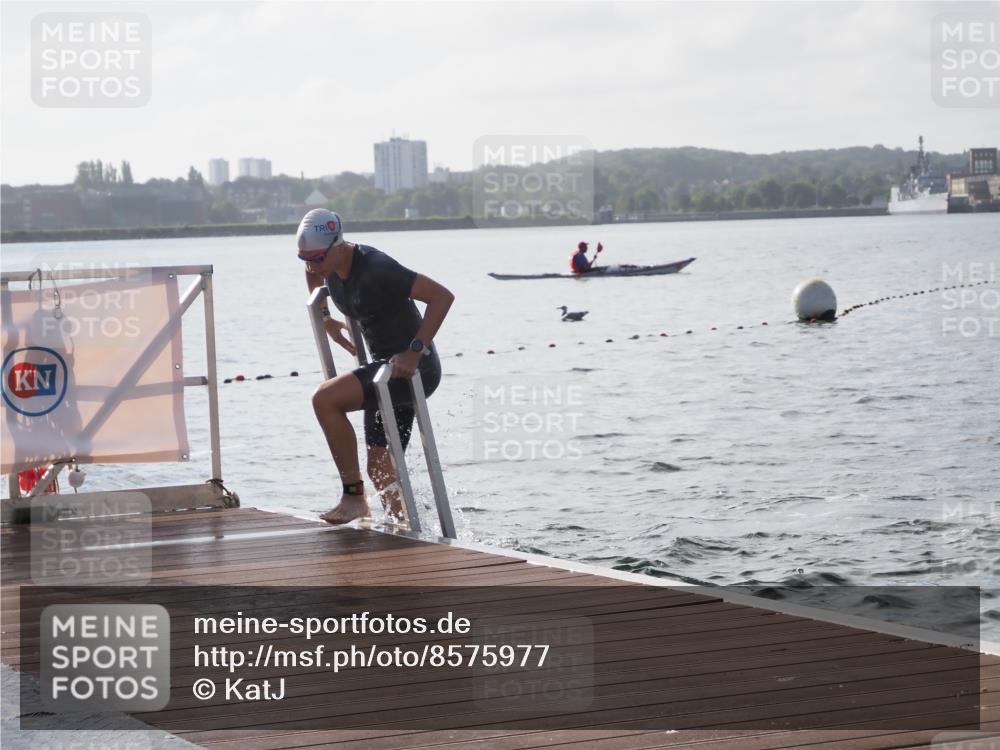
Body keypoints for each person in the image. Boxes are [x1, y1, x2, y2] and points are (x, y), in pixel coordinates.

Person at [298, 208, 455, 525]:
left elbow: (442, 297)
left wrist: (414, 350)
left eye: (316, 257)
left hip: (414, 370)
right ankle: (405, 528)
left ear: (337, 245)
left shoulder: (378, 268)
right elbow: (313, 275)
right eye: (304, 258)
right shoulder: (328, 265)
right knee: (380, 466)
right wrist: (327, 317)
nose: (311, 265)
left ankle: (354, 497)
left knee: (324, 399)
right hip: (384, 371)